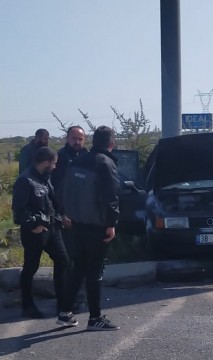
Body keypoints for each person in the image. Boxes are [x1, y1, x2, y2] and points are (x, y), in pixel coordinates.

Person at [58, 126, 120, 331]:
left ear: (93, 141)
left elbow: (65, 190)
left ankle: (65, 313)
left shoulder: (77, 161)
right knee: (95, 271)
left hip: (76, 224)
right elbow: (111, 197)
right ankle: (95, 318)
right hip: (97, 226)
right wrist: (111, 224)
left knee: (77, 268)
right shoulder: (105, 163)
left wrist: (68, 214)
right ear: (111, 143)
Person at [12, 147, 69, 318]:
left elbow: (52, 200)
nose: (55, 167)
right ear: (45, 163)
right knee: (31, 267)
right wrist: (32, 225)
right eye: (53, 164)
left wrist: (62, 216)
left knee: (63, 261)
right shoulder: (25, 180)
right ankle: (27, 306)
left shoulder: (45, 178)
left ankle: (63, 304)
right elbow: (19, 211)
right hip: (35, 231)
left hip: (52, 228)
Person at [51, 125, 89, 313]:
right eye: (74, 138)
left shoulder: (87, 157)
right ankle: (65, 301)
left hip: (85, 216)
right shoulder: (60, 159)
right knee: (68, 260)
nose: (77, 142)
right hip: (66, 217)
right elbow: (56, 189)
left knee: (82, 258)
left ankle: (79, 299)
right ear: (67, 139)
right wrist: (62, 213)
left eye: (80, 139)